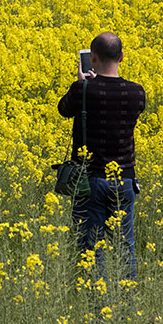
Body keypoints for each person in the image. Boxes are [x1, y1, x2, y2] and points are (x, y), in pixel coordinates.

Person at [57, 32, 146, 279]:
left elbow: (63, 110)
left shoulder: (82, 90)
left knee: (91, 249)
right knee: (125, 247)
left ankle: (97, 309)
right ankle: (127, 307)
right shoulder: (137, 93)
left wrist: (83, 84)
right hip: (126, 180)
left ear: (92, 57)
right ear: (122, 57)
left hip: (91, 181)